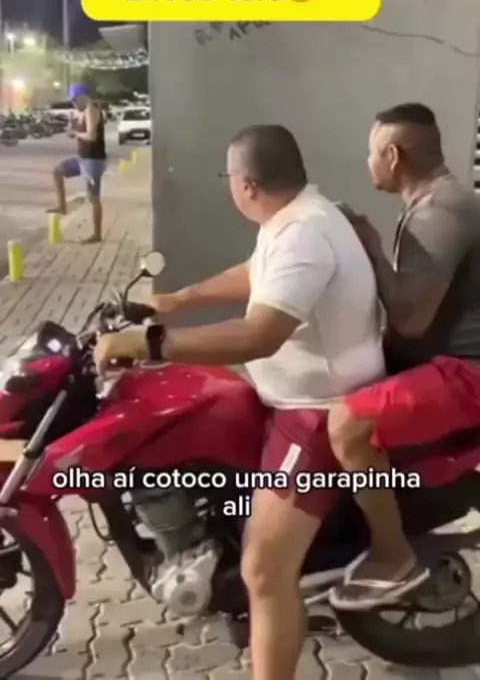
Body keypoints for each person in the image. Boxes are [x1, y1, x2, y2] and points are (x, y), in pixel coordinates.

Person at [94, 124, 385, 680]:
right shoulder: (293, 219)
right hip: (290, 395)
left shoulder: (304, 233)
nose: (228, 184)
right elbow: (259, 274)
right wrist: (179, 299)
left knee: (264, 571)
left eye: (228, 176)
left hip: (313, 413)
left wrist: (149, 343)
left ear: (246, 183)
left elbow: (259, 335)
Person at [327, 102, 480, 611]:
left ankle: (392, 555)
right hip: (447, 360)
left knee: (348, 424)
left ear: (393, 156)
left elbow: (411, 321)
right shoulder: (435, 203)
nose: (368, 162)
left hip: (468, 372)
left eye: (371, 152)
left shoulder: (439, 212)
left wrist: (370, 246)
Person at [48, 84, 107, 244]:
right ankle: (62, 206)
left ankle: (97, 234)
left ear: (83, 97)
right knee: (57, 171)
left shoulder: (91, 110)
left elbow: (91, 136)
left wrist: (76, 134)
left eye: (75, 100)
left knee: (93, 198)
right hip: (83, 158)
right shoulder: (81, 112)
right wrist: (73, 127)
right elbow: (78, 130)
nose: (73, 104)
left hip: (93, 160)